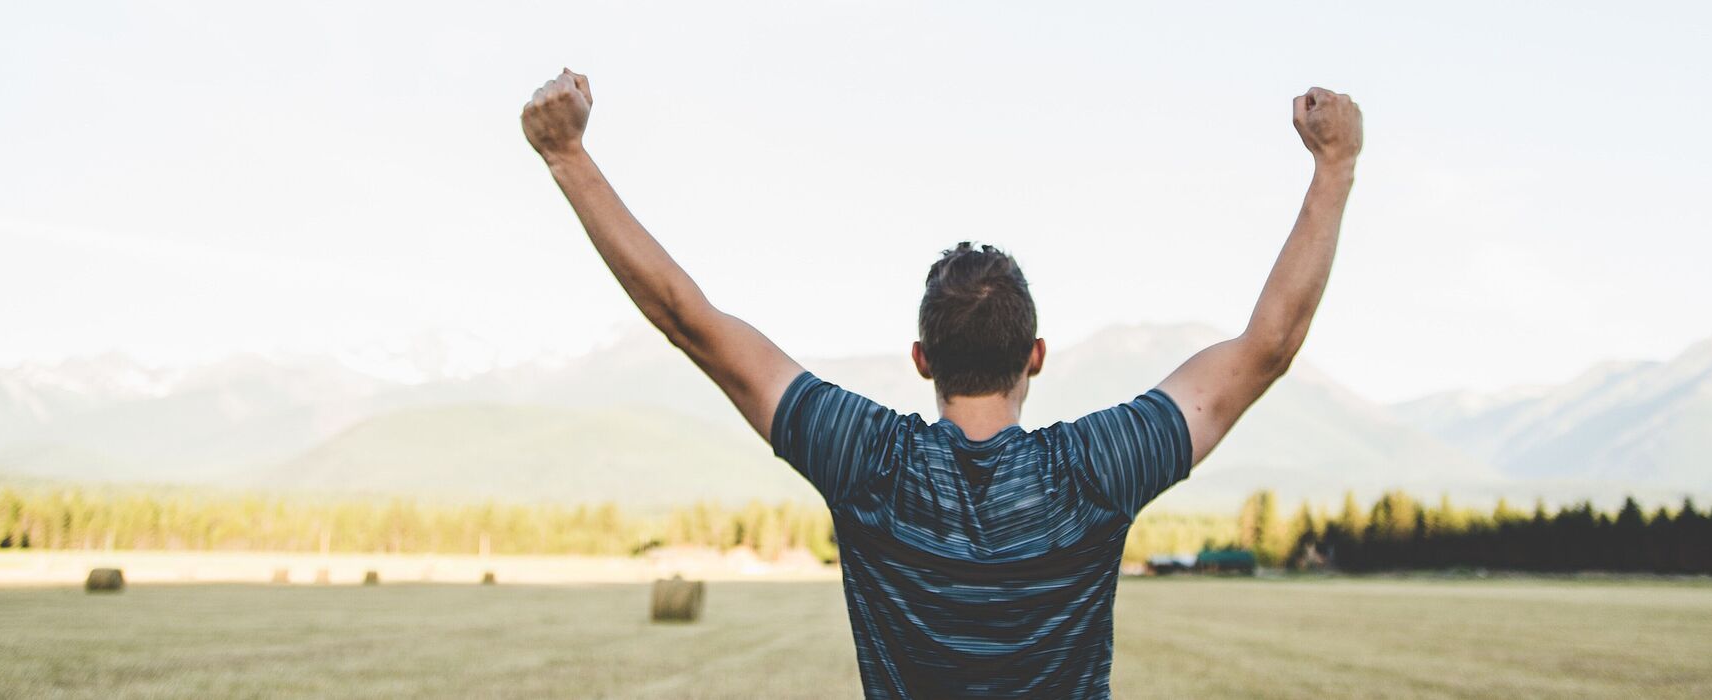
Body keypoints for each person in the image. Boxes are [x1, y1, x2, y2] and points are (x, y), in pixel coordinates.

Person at [522, 68, 1361, 699]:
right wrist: (1334, 166)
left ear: (921, 358)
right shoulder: (1097, 470)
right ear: (1035, 354)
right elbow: (1269, 346)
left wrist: (568, 156)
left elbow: (687, 320)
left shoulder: (867, 462)